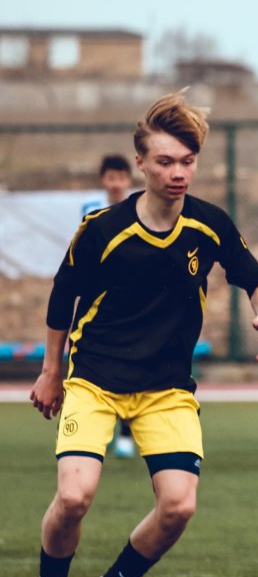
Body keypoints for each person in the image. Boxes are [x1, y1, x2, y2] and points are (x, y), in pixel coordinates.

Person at [29, 91, 258, 577]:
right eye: (166, 161)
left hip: (166, 388)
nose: (178, 173)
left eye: (187, 162)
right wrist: (51, 373)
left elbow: (256, 278)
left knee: (179, 506)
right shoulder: (102, 230)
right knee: (74, 497)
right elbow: (60, 300)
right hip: (94, 378)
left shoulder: (209, 223)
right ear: (141, 164)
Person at [85, 154, 139, 458]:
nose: (116, 183)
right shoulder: (91, 213)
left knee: (131, 364)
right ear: (103, 180)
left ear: (128, 180)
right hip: (97, 303)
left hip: (129, 302)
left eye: (121, 177)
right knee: (94, 364)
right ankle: (92, 428)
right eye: (111, 177)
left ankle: (126, 432)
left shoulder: (140, 210)